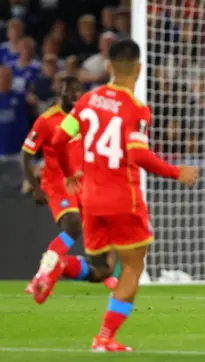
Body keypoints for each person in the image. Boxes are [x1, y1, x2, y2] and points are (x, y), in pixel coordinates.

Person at [50, 38, 200, 351]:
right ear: (140, 69)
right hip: (123, 198)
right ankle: (104, 337)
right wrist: (176, 172)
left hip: (89, 199)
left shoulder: (87, 100)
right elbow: (139, 155)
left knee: (104, 268)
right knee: (132, 267)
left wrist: (68, 174)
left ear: (108, 67)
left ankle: (60, 265)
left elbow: (59, 139)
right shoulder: (136, 108)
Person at [21, 76, 117, 300]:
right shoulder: (47, 120)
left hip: (85, 182)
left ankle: (65, 265)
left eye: (77, 92)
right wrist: (35, 187)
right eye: (69, 92)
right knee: (73, 226)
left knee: (104, 244)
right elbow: (26, 154)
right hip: (58, 183)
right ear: (59, 94)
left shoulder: (85, 118)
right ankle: (41, 276)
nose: (74, 96)